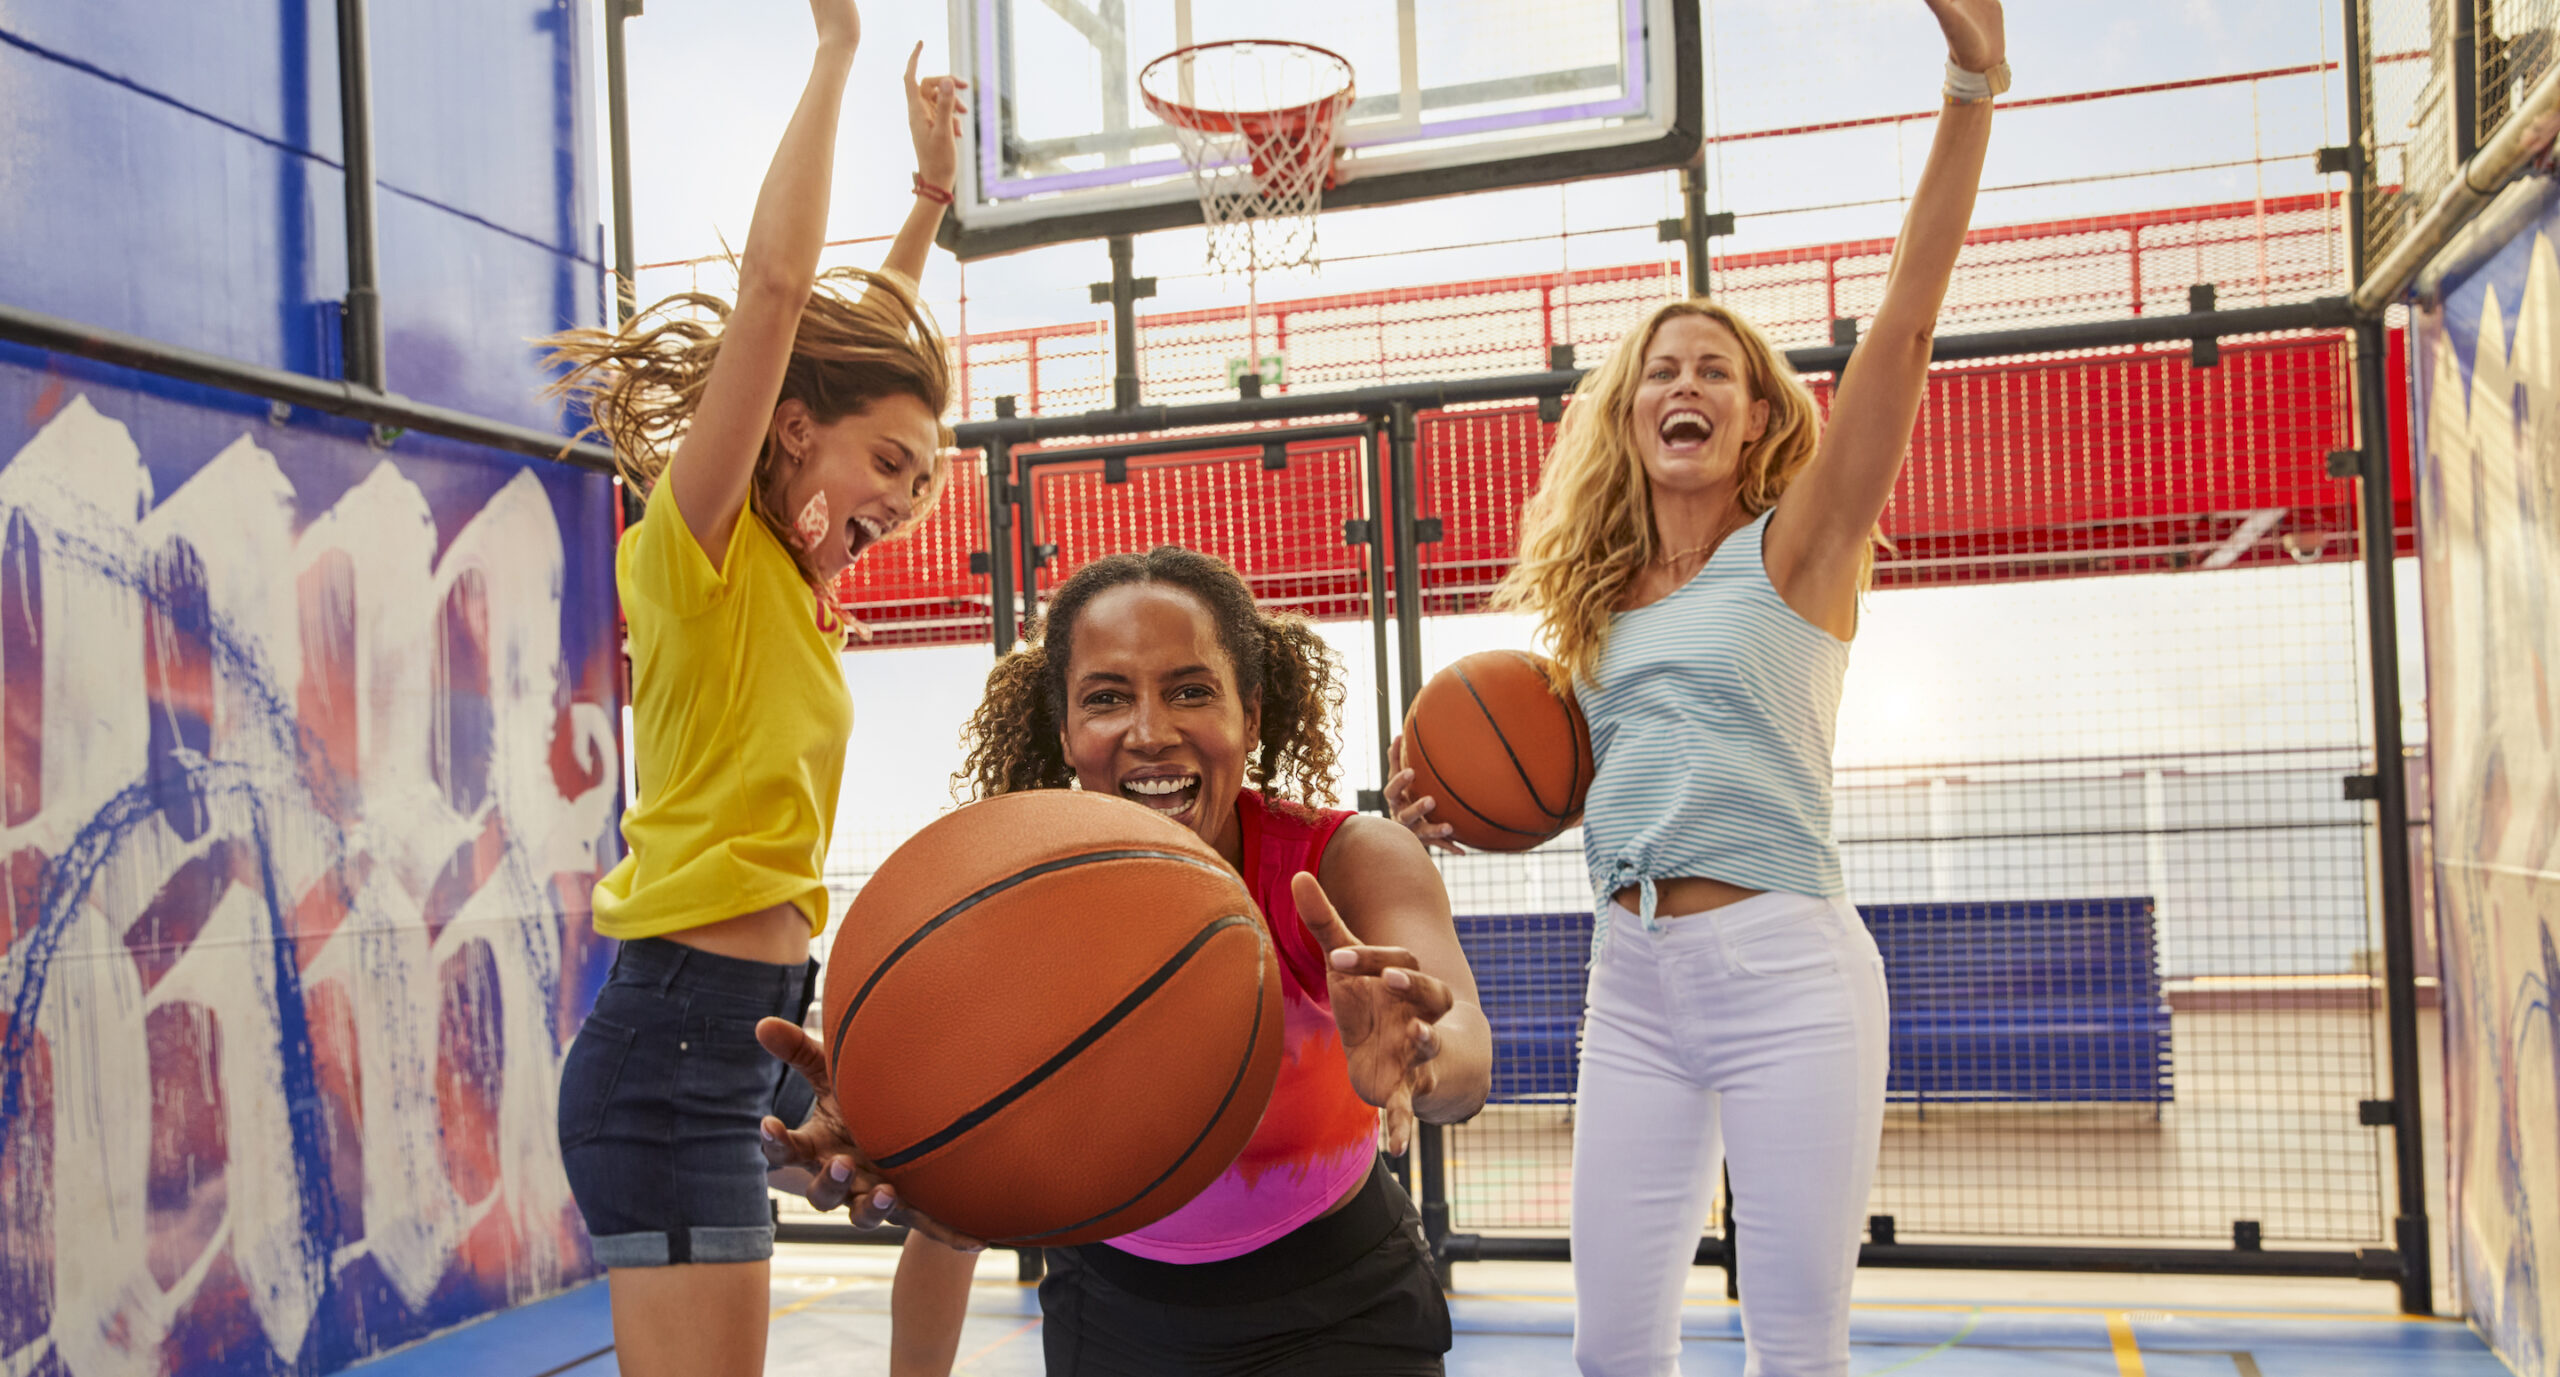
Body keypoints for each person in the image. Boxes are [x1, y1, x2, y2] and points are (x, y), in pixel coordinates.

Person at [1386, 5, 2005, 1373]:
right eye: (1660, 370)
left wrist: (1971, 88)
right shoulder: (1595, 612)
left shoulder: (1798, 550)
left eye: (1713, 370)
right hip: (1632, 979)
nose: (1685, 383)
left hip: (1788, 971)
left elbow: (1904, 331)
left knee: (1795, 1344)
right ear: (1628, 417)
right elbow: (1581, 784)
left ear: (1755, 415)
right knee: (1611, 1349)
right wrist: (1448, 810)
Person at [757, 545, 1493, 1376]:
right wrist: (910, 1152)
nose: (1150, 731)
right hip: (1108, 1312)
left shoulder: (1346, 860)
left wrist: (1425, 1058)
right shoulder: (1011, 903)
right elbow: (947, 1235)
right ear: (1066, 732)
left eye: (1191, 690)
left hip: (1341, 1308)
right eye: (1106, 698)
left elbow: (1465, 1048)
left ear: (1251, 715)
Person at [543, 6, 977, 1373]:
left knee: (947, 1191)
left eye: (920, 481)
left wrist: (929, 200)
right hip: (674, 1043)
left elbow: (854, 352)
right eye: (888, 466)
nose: (903, 499)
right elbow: (783, 300)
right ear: (790, 429)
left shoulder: (792, 592)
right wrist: (836, 49)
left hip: (755, 1029)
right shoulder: (700, 551)